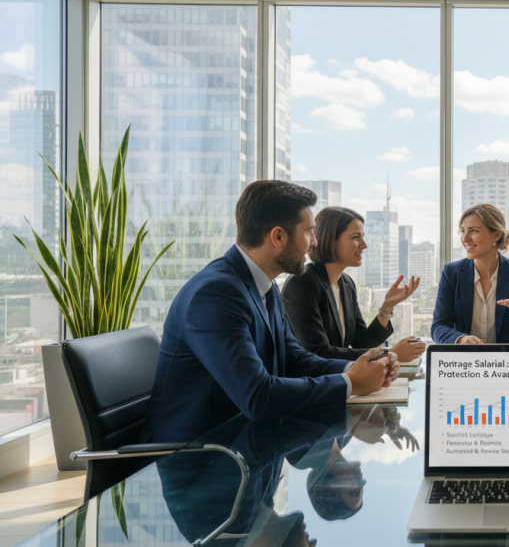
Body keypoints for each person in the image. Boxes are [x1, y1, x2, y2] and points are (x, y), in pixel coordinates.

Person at [143, 181, 399, 444]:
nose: (314, 243)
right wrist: (352, 383)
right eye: (309, 232)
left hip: (246, 446)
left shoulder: (264, 285)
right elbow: (257, 396)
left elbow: (293, 360)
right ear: (278, 237)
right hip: (199, 458)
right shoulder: (215, 294)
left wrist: (358, 368)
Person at [282, 206, 425, 362]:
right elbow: (318, 353)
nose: (364, 245)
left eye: (362, 237)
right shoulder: (302, 283)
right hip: (309, 382)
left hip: (336, 379)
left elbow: (361, 342)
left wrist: (387, 307)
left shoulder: (346, 284)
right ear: (330, 239)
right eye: (356, 237)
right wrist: (390, 354)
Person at [431, 204, 509, 344]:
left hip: (508, 363)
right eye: (462, 231)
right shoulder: (452, 272)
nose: (465, 239)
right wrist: (461, 340)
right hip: (464, 362)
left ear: (496, 235)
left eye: (474, 231)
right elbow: (439, 326)